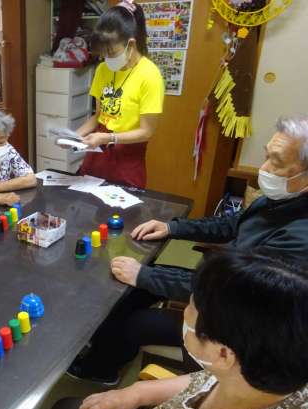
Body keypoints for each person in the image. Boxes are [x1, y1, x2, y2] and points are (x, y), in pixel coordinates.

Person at [72, 114, 308, 384]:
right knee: (133, 289)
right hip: (220, 284)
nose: (263, 169)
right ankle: (101, 350)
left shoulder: (299, 239)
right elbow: (231, 224)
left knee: (137, 319)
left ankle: (100, 371)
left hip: (240, 325)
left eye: (276, 162)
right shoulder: (279, 200)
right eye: (266, 156)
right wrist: (172, 227)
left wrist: (144, 275)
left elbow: (232, 292)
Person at [43, 251, 308, 409]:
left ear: (223, 354)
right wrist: (139, 392)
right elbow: (206, 380)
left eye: (191, 310)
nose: (184, 314)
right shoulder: (271, 371)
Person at [75, 0, 164, 188]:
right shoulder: (102, 69)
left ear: (130, 44)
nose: (106, 59)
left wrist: (109, 138)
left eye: (111, 52)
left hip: (127, 158)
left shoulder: (150, 75)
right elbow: (99, 116)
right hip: (98, 154)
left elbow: (146, 131)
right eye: (103, 53)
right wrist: (73, 137)